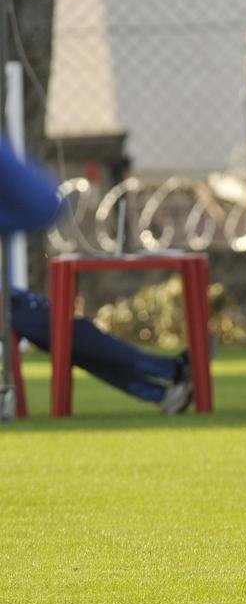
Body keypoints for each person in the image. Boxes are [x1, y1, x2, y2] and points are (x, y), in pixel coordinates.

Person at [0, 138, 192, 414]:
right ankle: (167, 373)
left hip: (10, 297)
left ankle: (163, 390)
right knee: (64, 331)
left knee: (67, 334)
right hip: (8, 302)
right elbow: (42, 204)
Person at [11, 287, 193, 413]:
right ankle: (171, 371)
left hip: (40, 317)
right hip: (36, 320)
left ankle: (165, 392)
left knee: (102, 360)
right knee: (105, 353)